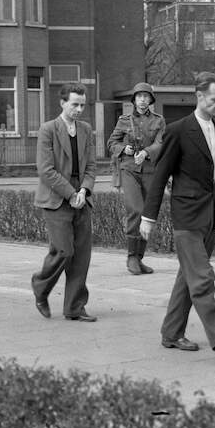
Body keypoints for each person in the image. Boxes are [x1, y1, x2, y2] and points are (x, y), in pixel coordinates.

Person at [139, 71, 215, 363]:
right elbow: (160, 175)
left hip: (211, 216)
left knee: (188, 278)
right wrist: (148, 217)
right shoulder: (177, 130)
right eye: (214, 99)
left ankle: (171, 333)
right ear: (199, 97)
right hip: (186, 217)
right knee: (202, 278)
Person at [31, 82, 98, 321]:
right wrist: (71, 194)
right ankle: (41, 287)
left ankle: (74, 307)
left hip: (81, 197)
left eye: (82, 105)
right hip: (57, 199)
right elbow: (46, 170)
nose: (79, 109)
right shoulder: (48, 129)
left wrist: (84, 191)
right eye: (74, 105)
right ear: (62, 103)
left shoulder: (86, 130)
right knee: (63, 250)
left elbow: (91, 166)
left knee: (81, 255)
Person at [107, 82, 165, 275]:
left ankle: (139, 259)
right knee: (136, 209)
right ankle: (131, 256)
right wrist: (125, 149)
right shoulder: (124, 120)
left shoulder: (158, 121)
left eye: (145, 96)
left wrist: (146, 152)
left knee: (147, 214)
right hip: (129, 170)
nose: (142, 100)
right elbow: (111, 143)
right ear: (134, 100)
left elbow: (161, 143)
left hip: (150, 171)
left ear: (150, 100)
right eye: (139, 96)